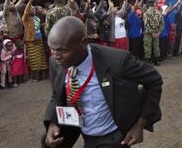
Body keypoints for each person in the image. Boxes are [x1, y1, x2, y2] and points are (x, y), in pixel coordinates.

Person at [43, 16, 163, 148]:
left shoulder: (117, 61)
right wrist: (52, 123)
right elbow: (56, 95)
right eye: (52, 49)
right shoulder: (56, 62)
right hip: (80, 130)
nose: (56, 55)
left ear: (83, 43)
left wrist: (140, 124)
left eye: (62, 50)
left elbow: (154, 81)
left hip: (112, 136)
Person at [22, 0, 48, 81]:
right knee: (34, 60)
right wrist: (30, 1)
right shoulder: (25, 19)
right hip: (31, 41)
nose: (33, 10)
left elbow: (37, 26)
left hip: (39, 40)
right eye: (31, 9)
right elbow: (26, 12)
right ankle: (35, 77)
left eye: (33, 9)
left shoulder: (36, 18)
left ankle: (43, 76)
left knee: (42, 58)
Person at [143, 0, 164, 65]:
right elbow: (162, 23)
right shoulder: (158, 12)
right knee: (156, 46)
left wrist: (152, 33)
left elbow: (146, 24)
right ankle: (157, 61)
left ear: (148, 4)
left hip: (148, 33)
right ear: (154, 4)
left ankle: (148, 62)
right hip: (157, 33)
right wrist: (158, 32)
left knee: (147, 47)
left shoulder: (146, 13)